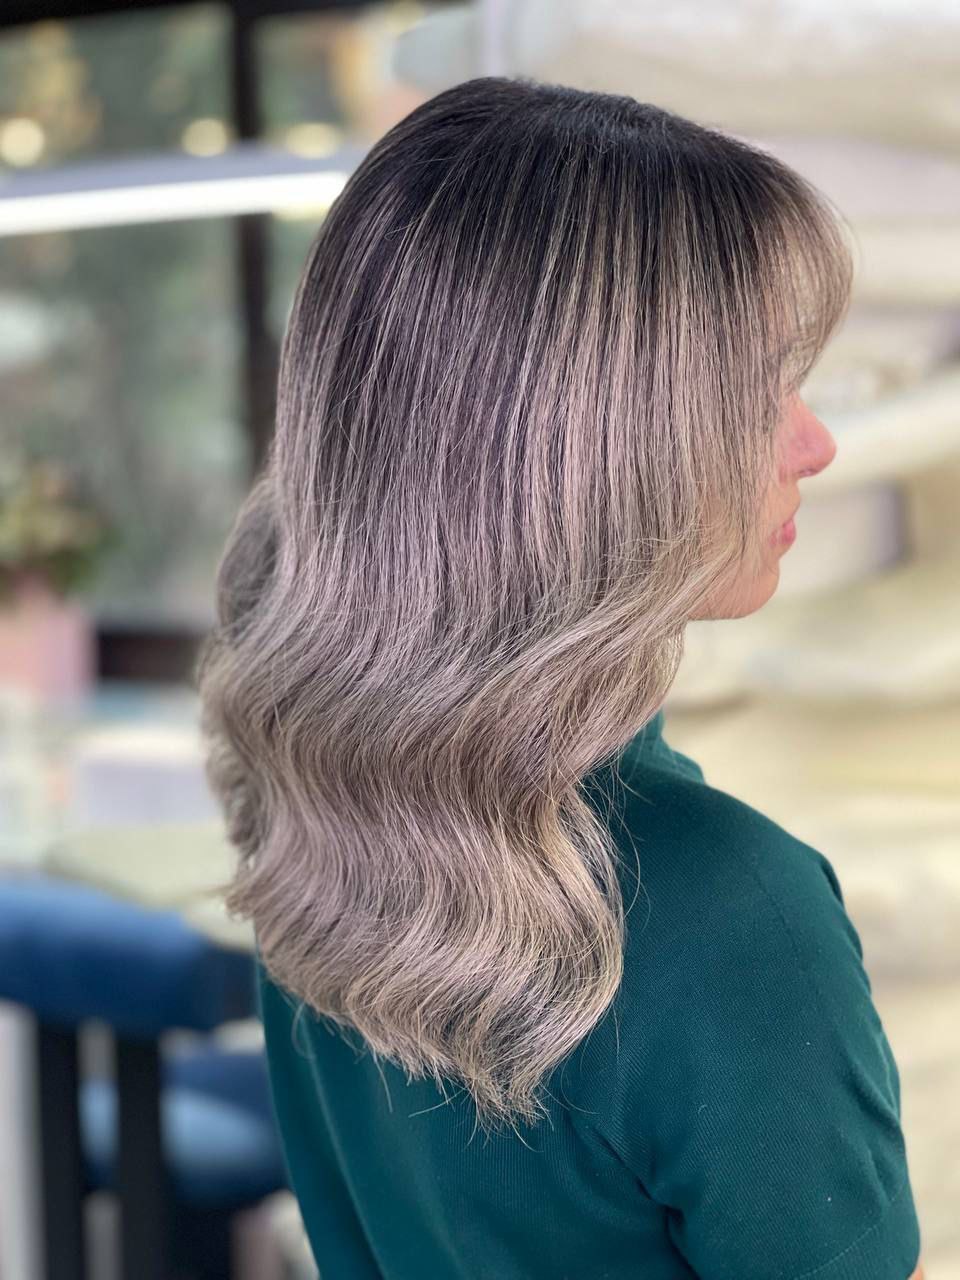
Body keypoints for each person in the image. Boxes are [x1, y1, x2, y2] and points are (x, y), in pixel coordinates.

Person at [195, 76, 924, 1279]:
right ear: (589, 454)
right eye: (758, 391)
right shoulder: (731, 915)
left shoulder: (311, 791)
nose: (815, 441)